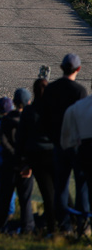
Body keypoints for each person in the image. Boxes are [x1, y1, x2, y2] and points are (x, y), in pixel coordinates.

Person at [41, 53, 88, 233]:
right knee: (81, 184)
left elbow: (43, 118)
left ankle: (64, 223)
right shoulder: (79, 92)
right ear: (78, 69)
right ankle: (82, 223)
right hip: (77, 144)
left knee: (60, 185)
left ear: (61, 68)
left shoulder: (51, 89)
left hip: (58, 143)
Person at [0, 88, 35, 235]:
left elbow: (4, 141)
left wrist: (13, 157)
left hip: (9, 164)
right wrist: (27, 162)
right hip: (25, 167)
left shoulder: (7, 120)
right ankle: (27, 227)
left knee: (4, 197)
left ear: (14, 103)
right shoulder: (31, 120)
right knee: (25, 199)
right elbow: (32, 144)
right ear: (28, 102)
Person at [19, 78, 55, 235]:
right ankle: (68, 224)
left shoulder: (29, 111)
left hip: (37, 157)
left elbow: (21, 138)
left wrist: (24, 163)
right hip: (54, 155)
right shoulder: (54, 109)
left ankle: (53, 228)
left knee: (48, 194)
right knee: (60, 192)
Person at [62, 78, 92, 212]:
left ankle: (83, 222)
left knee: (82, 187)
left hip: (83, 150)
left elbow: (68, 133)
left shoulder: (79, 107)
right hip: (84, 150)